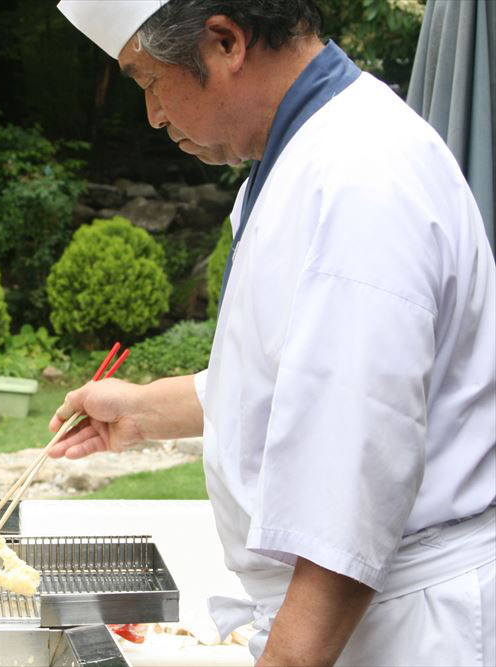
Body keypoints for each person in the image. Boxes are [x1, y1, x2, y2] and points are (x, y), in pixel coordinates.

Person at [53, 1, 496, 665]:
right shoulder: (299, 156)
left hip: (400, 626)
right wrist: (142, 411)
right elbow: (291, 381)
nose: (153, 115)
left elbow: (349, 499)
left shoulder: (360, 177)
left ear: (224, 42)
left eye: (148, 82)